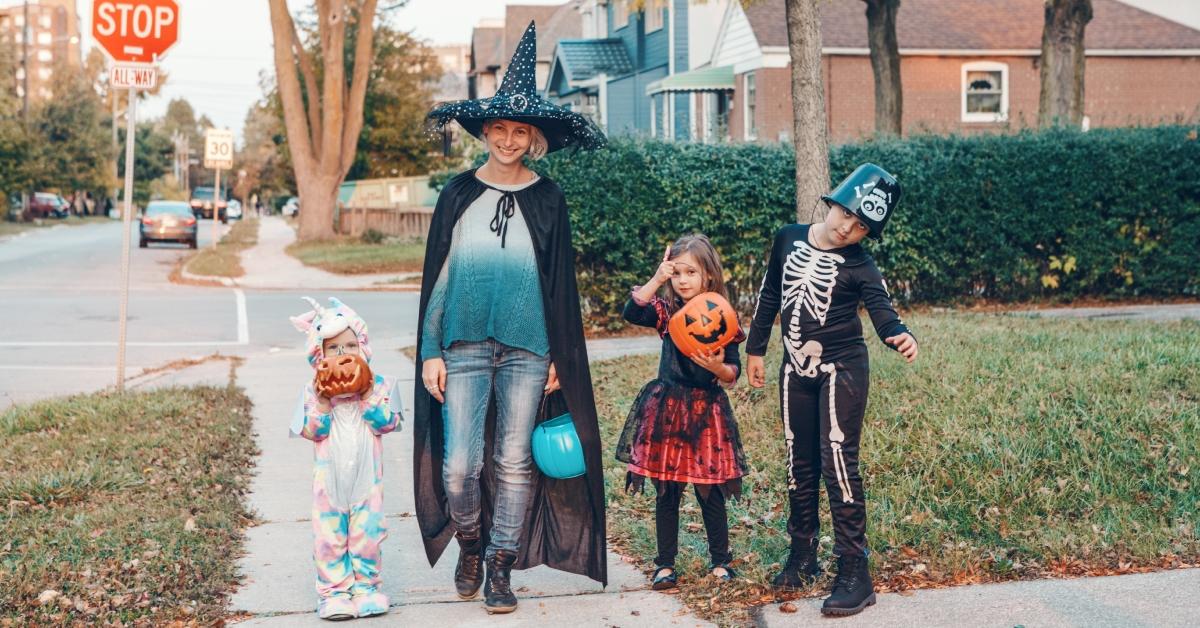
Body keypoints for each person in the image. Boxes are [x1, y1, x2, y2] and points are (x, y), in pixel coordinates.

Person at [416, 20, 609, 615]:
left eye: (518, 130)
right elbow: (437, 279)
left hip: (529, 350)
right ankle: (470, 542)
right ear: (486, 132)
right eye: (498, 128)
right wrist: (429, 349)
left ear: (533, 138)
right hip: (464, 345)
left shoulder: (549, 200)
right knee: (459, 467)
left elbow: (559, 289)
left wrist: (560, 358)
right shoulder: (457, 195)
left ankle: (501, 566)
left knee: (514, 461)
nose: (507, 138)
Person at [746, 163, 918, 617]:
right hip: (793, 367)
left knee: (837, 460)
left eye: (862, 226)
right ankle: (802, 553)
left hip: (842, 368)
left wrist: (898, 333)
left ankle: (854, 568)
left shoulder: (861, 263)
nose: (848, 228)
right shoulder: (787, 238)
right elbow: (769, 295)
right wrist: (756, 349)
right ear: (834, 202)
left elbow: (881, 307)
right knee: (797, 462)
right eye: (847, 214)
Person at [615, 235, 748, 591]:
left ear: (709, 275)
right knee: (667, 491)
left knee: (710, 491)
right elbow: (631, 310)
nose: (684, 279)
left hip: (707, 412)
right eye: (678, 273)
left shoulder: (722, 316)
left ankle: (721, 561)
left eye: (692, 272)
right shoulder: (666, 313)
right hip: (668, 412)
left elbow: (734, 373)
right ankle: (664, 565)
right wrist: (658, 278)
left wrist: (718, 368)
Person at [289, 297, 404, 621]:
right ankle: (334, 592)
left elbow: (389, 423)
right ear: (319, 356)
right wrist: (324, 403)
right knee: (330, 536)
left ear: (363, 347)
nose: (343, 356)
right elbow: (310, 430)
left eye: (350, 345)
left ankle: (367, 588)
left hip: (367, 481)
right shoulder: (313, 392)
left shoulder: (379, 385)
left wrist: (367, 395)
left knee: (367, 534)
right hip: (330, 482)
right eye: (334, 348)